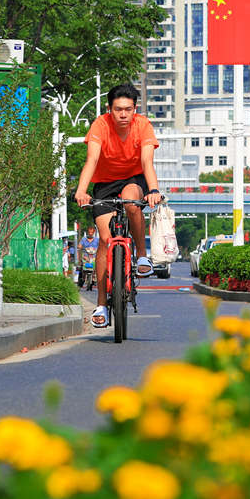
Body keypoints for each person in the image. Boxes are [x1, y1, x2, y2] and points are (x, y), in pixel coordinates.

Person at [73, 83, 162, 327]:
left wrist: (153, 190)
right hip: (104, 183)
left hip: (133, 179)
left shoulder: (143, 125)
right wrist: (81, 190)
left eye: (128, 109)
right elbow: (91, 159)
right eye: (118, 109)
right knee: (104, 239)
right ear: (109, 109)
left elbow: (147, 161)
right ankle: (101, 304)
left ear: (135, 109)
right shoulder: (100, 126)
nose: (123, 114)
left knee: (132, 203)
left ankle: (142, 257)